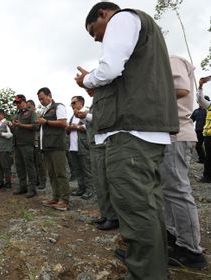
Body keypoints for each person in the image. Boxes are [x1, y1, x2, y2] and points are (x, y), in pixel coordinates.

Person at [75, 2, 179, 279]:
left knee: (135, 207)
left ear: (103, 14)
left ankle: (146, 272)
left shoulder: (122, 19)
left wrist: (87, 81)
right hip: (142, 130)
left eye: (93, 30)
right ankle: (154, 266)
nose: (96, 38)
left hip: (130, 131)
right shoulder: (141, 32)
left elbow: (108, 70)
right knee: (148, 204)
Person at [160, 55, 208, 269]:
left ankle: (191, 250)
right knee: (169, 190)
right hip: (168, 135)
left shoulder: (169, 59)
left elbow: (181, 90)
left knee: (178, 190)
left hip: (176, 134)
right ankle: (175, 237)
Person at [74, 89, 118, 231]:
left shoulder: (104, 99)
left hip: (101, 144)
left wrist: (86, 115)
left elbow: (104, 118)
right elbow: (91, 124)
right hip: (93, 144)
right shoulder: (96, 102)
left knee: (104, 181)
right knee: (99, 181)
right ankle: (105, 214)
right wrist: (83, 117)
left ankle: (112, 217)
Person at [36, 87, 70, 211]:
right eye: (39, 99)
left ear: (49, 95)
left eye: (42, 98)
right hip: (46, 147)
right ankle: (56, 197)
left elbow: (63, 123)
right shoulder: (45, 110)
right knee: (51, 174)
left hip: (57, 145)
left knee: (60, 173)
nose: (41, 101)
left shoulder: (58, 106)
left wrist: (46, 122)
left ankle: (65, 201)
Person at [10, 94, 38, 198]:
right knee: (19, 167)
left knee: (29, 166)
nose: (17, 105)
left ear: (24, 102)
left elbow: (35, 126)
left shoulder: (31, 113)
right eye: (16, 103)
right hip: (17, 144)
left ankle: (32, 189)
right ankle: (23, 187)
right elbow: (15, 130)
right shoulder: (17, 115)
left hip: (27, 144)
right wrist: (12, 127)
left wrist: (21, 125)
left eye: (19, 102)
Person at [67, 96, 93, 200]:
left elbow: (90, 127)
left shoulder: (86, 113)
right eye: (71, 103)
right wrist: (68, 128)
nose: (72, 105)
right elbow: (68, 130)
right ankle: (81, 188)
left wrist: (76, 127)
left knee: (87, 169)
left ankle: (90, 190)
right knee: (77, 169)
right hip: (73, 147)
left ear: (81, 103)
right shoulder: (72, 116)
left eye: (74, 102)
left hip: (83, 146)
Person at [27, 99, 47, 190]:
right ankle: (36, 180)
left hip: (38, 142)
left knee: (40, 163)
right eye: (27, 107)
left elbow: (38, 126)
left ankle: (43, 181)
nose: (28, 109)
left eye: (29, 107)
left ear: (34, 107)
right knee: (33, 163)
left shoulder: (39, 115)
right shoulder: (27, 116)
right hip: (30, 142)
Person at [196, 76, 211, 183]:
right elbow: (200, 100)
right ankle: (207, 177)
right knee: (209, 157)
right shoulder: (210, 106)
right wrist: (200, 85)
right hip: (209, 136)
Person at [190, 96, 209, 163]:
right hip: (199, 131)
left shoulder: (208, 111)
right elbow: (191, 120)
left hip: (207, 132)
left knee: (208, 147)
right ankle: (202, 159)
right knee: (198, 146)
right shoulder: (196, 111)